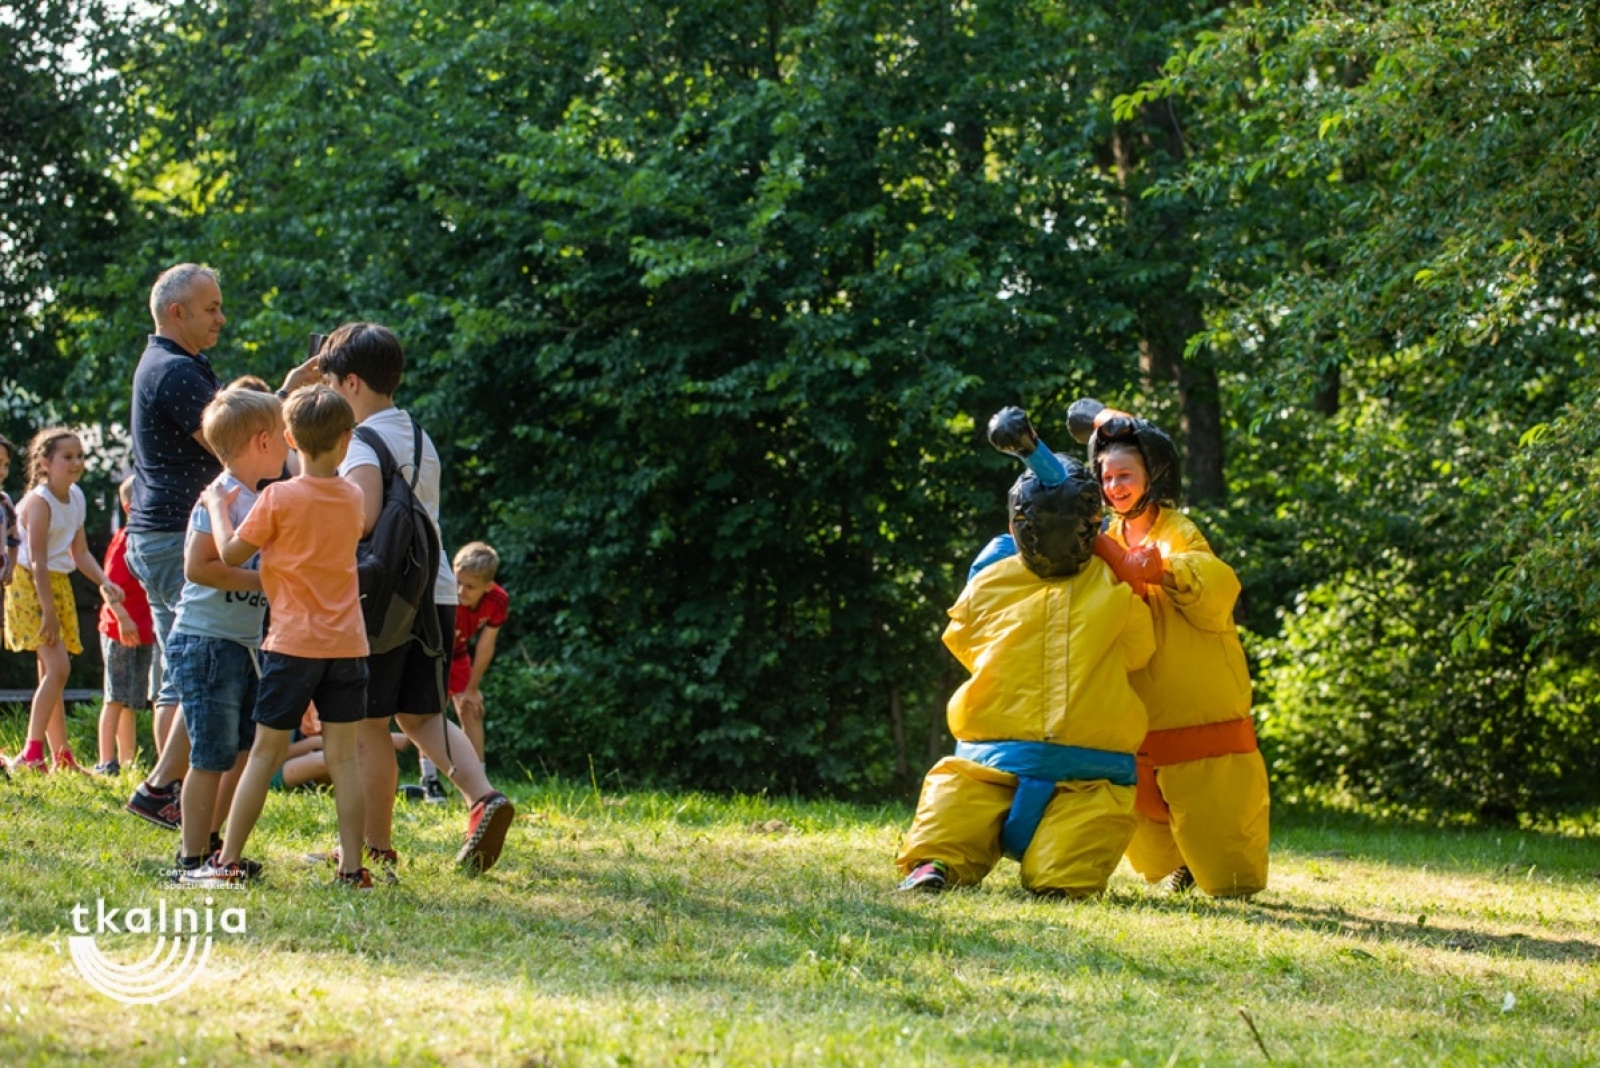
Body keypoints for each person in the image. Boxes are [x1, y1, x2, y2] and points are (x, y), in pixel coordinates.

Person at [896, 412, 1154, 898]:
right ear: (1091, 525)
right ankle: (954, 863)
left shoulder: (991, 580)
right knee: (989, 810)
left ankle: (938, 862)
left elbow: (963, 643)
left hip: (1001, 753)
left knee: (959, 799)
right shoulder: (1114, 587)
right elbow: (1139, 652)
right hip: (1085, 763)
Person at [316, 321, 514, 875]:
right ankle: (482, 797)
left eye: (330, 382)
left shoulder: (361, 441)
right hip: (437, 594)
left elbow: (365, 517)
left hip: (386, 600)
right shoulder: (417, 435)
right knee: (421, 712)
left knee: (368, 725)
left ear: (351, 382)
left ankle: (374, 844)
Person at [1068, 398, 1270, 897]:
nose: (1115, 487)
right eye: (1107, 478)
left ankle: (1215, 868)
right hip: (1139, 707)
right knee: (1148, 821)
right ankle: (1181, 861)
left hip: (1196, 703)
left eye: (1125, 475)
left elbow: (1216, 583)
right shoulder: (1106, 536)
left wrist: (1162, 568)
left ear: (1151, 475)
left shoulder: (1178, 531)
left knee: (1230, 867)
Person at [184, 384, 371, 889]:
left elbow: (228, 554)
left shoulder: (277, 496)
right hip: (349, 646)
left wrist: (218, 507)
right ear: (347, 439)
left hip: (292, 645)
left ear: (288, 437)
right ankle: (353, 869)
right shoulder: (353, 496)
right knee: (344, 759)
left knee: (264, 753)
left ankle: (225, 863)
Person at [123, 264, 227, 827]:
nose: (222, 317)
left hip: (157, 532)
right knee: (201, 670)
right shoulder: (176, 372)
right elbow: (237, 445)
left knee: (179, 672)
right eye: (211, 308)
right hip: (174, 535)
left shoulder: (171, 365)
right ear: (176, 311)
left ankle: (168, 792)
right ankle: (164, 788)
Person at [167, 386, 282, 881]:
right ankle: (190, 860)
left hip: (241, 645)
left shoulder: (261, 497)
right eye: (284, 437)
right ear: (261, 441)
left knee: (238, 750)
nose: (289, 445)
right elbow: (199, 567)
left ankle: (215, 850)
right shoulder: (223, 497)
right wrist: (269, 582)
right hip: (206, 642)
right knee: (210, 755)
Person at [3, 428, 125, 773]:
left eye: (79, 456)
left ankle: (61, 756)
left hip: (57, 580)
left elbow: (80, 552)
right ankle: (31, 753)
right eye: (67, 457)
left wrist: (105, 582)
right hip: (31, 585)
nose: (76, 463)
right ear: (44, 463)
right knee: (59, 668)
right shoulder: (39, 502)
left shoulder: (77, 497)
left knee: (51, 673)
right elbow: (38, 561)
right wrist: (49, 613)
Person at [416, 541, 510, 801]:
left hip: (458, 654)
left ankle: (480, 785)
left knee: (471, 710)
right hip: (432, 653)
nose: (460, 591)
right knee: (431, 712)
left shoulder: (497, 600)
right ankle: (430, 780)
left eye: (470, 587)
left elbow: (485, 644)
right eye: (458, 582)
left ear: (488, 587)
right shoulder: (443, 591)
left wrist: (472, 688)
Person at [95, 476, 157, 776]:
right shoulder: (125, 539)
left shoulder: (149, 538)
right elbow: (109, 587)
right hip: (120, 630)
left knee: (132, 700)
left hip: (144, 631)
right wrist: (122, 618)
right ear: (131, 505)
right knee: (115, 696)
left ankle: (128, 761)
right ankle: (107, 759)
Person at [0, 433, 20, 646]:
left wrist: (11, 566)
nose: (2, 471)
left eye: (5, 465)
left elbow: (14, 538)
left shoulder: (4, 501)